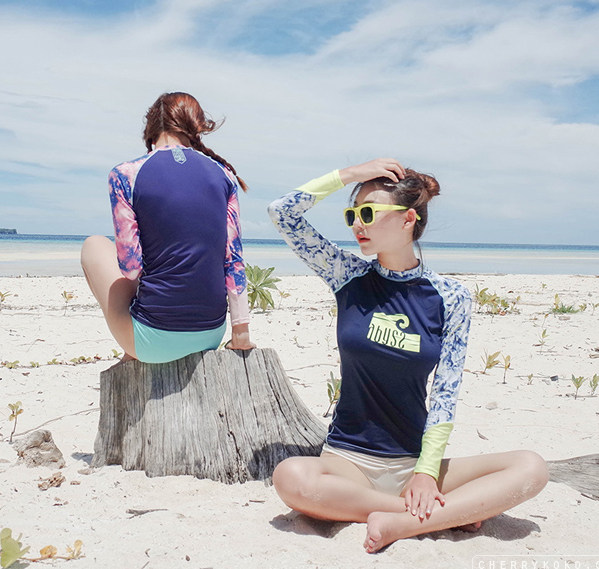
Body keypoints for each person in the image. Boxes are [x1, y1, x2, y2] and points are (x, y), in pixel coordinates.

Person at [267, 158, 548, 553]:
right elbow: (282, 212)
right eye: (352, 214)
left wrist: (426, 474)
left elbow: (446, 393)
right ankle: (424, 515)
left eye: (368, 212)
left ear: (407, 219)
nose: (357, 224)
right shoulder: (347, 276)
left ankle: (402, 519)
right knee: (290, 476)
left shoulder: (451, 297)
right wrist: (351, 175)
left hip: (413, 464)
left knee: (531, 467)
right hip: (347, 464)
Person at [81, 92, 254, 364]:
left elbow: (130, 267)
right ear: (196, 126)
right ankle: (136, 344)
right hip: (211, 334)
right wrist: (240, 332)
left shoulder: (125, 174)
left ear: (151, 128)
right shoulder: (224, 175)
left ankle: (132, 348)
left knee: (94, 244)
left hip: (153, 341)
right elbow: (233, 259)